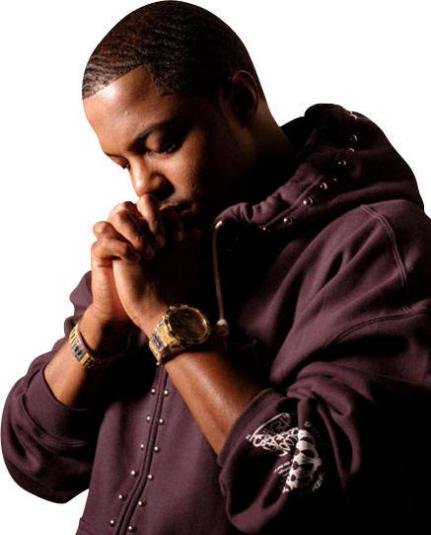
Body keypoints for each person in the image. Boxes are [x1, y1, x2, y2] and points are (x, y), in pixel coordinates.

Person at [2, 1, 431, 533]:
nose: (143, 185)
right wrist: (102, 325)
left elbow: (308, 487)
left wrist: (165, 320)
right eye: (122, 163)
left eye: (162, 145)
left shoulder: (379, 246)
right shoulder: (155, 249)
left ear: (240, 100)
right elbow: (34, 460)